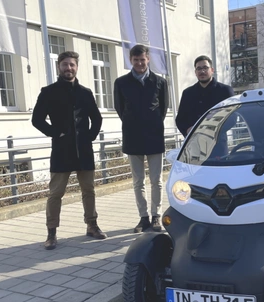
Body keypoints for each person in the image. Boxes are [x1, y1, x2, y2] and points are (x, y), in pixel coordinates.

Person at [32, 51, 106, 250]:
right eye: (65, 64)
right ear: (59, 67)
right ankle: (51, 233)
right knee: (56, 193)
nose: (68, 68)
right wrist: (56, 133)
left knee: (88, 190)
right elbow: (37, 120)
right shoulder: (48, 92)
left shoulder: (85, 92)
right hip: (61, 151)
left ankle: (92, 225)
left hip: (84, 151)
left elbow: (97, 119)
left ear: (77, 67)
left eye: (72, 65)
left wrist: (89, 137)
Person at [114, 44, 169, 233]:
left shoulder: (160, 82)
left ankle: (156, 216)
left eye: (142, 59)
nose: (139, 63)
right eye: (136, 60)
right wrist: (133, 123)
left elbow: (163, 109)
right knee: (138, 181)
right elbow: (120, 109)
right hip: (132, 137)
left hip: (154, 136)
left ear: (148, 59)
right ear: (131, 60)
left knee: (157, 180)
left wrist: (150, 123)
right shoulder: (121, 83)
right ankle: (143, 217)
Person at [176, 55, 234, 137]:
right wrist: (187, 130)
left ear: (212, 70)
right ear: (195, 72)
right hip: (194, 142)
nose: (202, 71)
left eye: (205, 68)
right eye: (198, 68)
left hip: (218, 142)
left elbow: (232, 118)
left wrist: (213, 131)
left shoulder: (225, 91)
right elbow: (180, 120)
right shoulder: (187, 93)